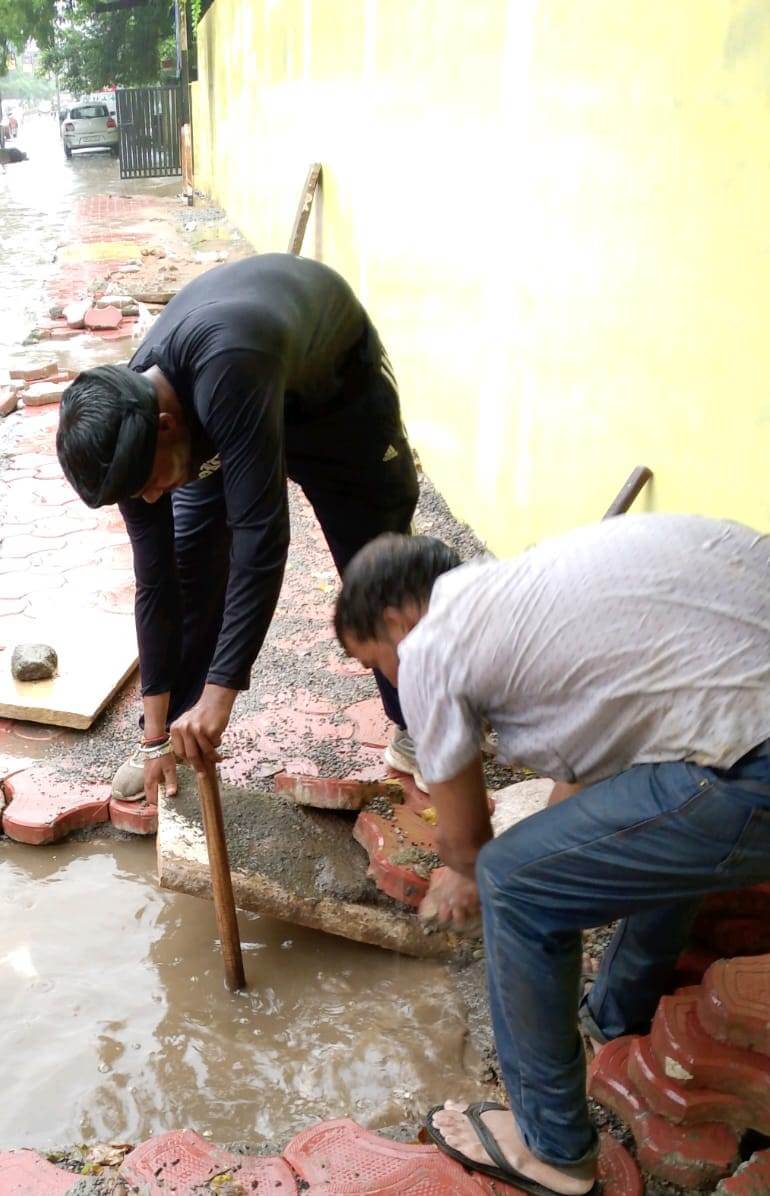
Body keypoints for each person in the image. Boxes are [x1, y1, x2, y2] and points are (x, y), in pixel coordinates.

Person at [333, 516, 770, 1196]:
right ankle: (614, 1020)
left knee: (514, 882)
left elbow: (468, 838)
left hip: (756, 765)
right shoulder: (528, 589)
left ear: (396, 619)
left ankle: (554, 1151)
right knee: (646, 821)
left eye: (374, 662)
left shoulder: (429, 645)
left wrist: (465, 869)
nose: (389, 679)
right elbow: (593, 799)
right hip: (741, 709)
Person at [55, 253, 421, 803]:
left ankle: (420, 722)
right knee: (189, 559)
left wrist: (221, 695)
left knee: (376, 567)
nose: (151, 498)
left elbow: (263, 540)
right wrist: (155, 733)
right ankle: (175, 735)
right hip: (223, 404)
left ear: (167, 424)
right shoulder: (126, 431)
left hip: (332, 396)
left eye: (152, 482)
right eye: (139, 493)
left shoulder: (228, 368)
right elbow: (156, 582)